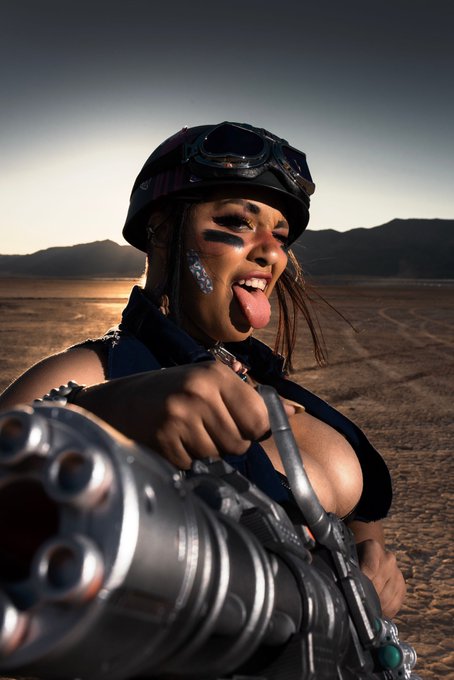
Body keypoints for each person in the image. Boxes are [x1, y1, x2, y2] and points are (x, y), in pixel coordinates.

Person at [0, 121, 406, 617]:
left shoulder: (264, 379)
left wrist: (372, 555)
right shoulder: (93, 373)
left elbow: (357, 518)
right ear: (161, 232)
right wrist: (100, 415)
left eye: (280, 236)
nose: (272, 252)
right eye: (237, 222)